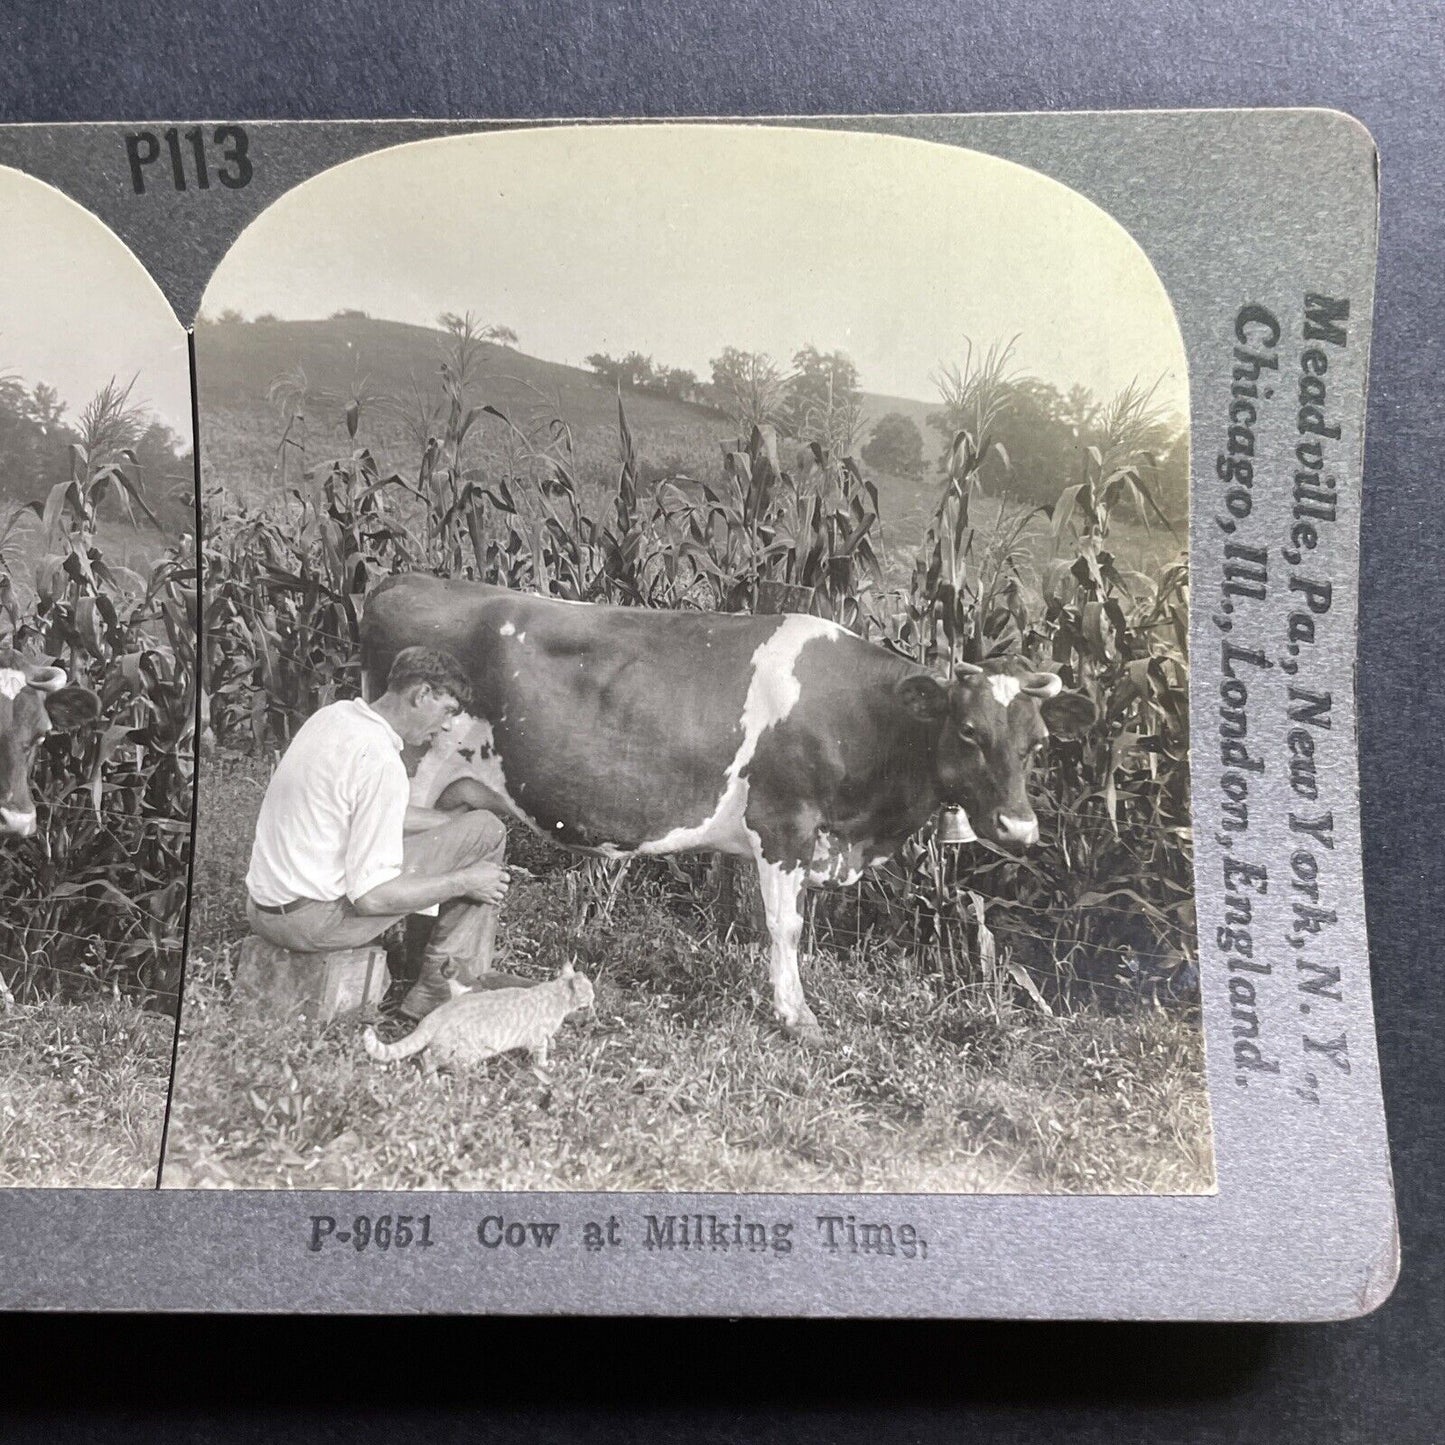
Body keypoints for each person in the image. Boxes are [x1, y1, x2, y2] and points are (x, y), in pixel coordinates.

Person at [244, 646, 510, 1019]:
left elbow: (366, 808)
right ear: (420, 695)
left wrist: (451, 826)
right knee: (488, 832)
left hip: (264, 910)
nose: (448, 726)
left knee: (477, 828)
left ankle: (440, 976)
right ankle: (438, 991)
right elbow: (373, 898)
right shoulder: (382, 762)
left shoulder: (334, 717)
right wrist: (466, 879)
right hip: (312, 923)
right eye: (447, 710)